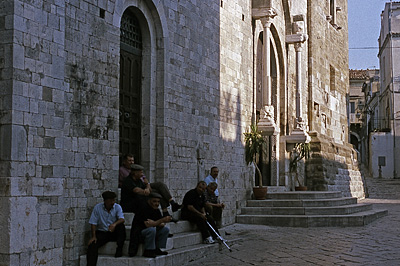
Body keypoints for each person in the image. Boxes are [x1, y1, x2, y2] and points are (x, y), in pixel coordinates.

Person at [87, 191, 126, 266]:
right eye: (110, 200)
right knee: (92, 246)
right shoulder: (98, 207)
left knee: (121, 226)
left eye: (113, 200)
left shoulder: (117, 207)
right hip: (102, 232)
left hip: (113, 232)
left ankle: (119, 249)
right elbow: (93, 222)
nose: (112, 202)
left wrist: (114, 224)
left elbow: (122, 219)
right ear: (105, 201)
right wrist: (94, 236)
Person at [128, 192, 172, 258]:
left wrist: (155, 222)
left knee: (165, 230)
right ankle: (149, 250)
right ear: (149, 200)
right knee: (152, 230)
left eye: (158, 202)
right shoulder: (143, 208)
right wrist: (160, 221)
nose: (157, 204)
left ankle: (157, 248)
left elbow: (162, 224)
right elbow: (148, 225)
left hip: (150, 231)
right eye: (154, 201)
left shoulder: (156, 210)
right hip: (139, 233)